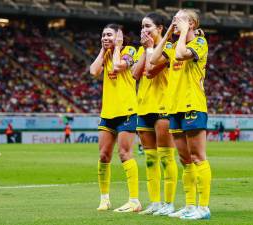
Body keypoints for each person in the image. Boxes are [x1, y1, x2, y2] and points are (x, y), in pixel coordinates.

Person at [151, 9, 211, 220]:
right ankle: (189, 205)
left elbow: (179, 55)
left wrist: (184, 32)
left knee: (197, 157)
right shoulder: (173, 43)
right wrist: (168, 35)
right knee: (185, 159)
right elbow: (154, 59)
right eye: (173, 20)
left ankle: (203, 207)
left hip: (192, 105)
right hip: (174, 108)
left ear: (192, 23)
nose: (174, 22)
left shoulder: (200, 43)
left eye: (179, 19)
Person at [90, 24, 141, 212]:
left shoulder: (130, 51)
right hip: (108, 112)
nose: (105, 37)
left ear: (119, 36)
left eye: (109, 35)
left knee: (125, 153)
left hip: (127, 110)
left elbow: (119, 67)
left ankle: (134, 200)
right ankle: (104, 199)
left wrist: (117, 47)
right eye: (103, 35)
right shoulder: (105, 54)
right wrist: (103, 50)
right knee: (103, 155)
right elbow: (93, 71)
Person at [132, 12, 178, 216]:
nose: (144, 30)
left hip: (162, 107)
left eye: (148, 26)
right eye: (142, 26)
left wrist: (150, 48)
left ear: (160, 28)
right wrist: (145, 49)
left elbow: (150, 70)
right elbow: (134, 74)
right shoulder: (146, 49)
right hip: (143, 106)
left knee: (166, 158)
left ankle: (169, 203)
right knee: (150, 160)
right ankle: (155, 202)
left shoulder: (168, 48)